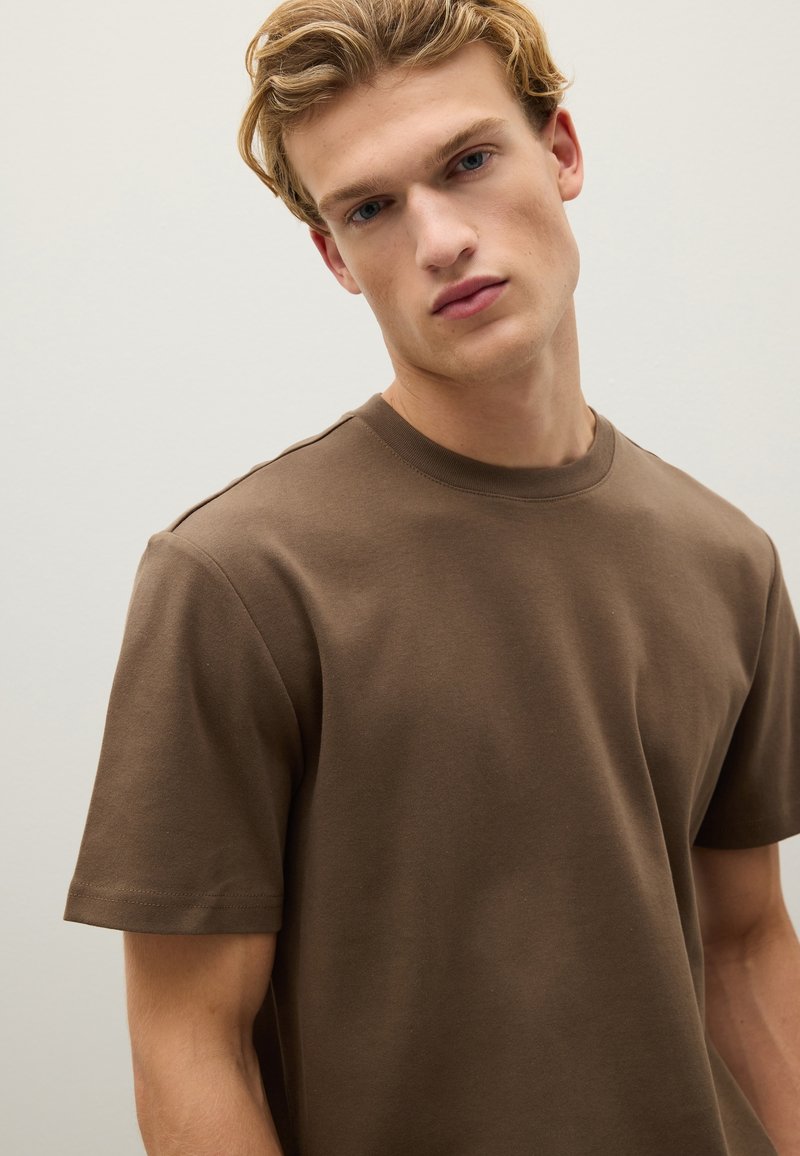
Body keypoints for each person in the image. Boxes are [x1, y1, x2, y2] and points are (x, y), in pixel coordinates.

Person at [64, 1, 800, 1153]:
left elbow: (745, 944)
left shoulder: (726, 560)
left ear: (560, 152)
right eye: (369, 208)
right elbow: (189, 1039)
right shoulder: (236, 578)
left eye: (467, 162)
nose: (440, 239)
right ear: (334, 256)